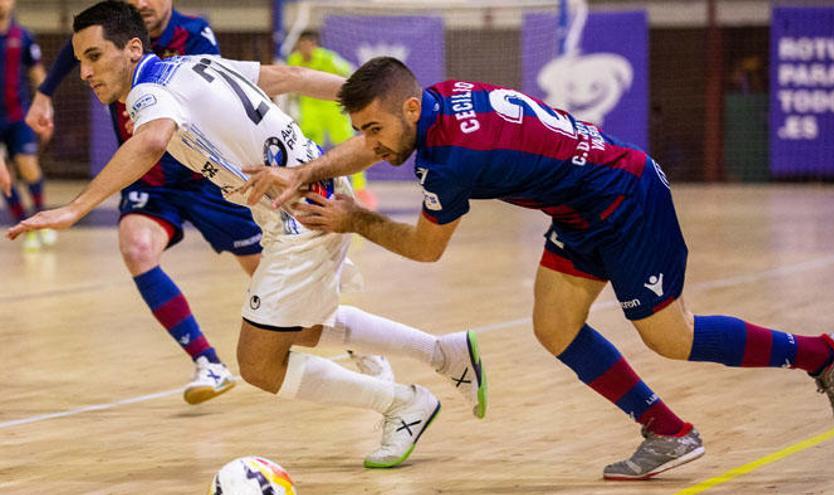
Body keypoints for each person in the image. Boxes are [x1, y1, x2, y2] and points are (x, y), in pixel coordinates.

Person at [245, 57, 834, 480]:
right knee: (554, 326)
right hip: (582, 208)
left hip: (625, 199)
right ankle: (668, 432)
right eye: (360, 132)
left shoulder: (450, 161)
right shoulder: (439, 100)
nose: (370, 145)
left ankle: (823, 354)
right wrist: (305, 172)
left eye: (375, 130)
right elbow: (378, 141)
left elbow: (426, 251)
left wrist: (356, 219)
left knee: (670, 337)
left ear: (409, 109)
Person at [8, 2, 487, 468]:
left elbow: (152, 139)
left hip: (299, 211)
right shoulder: (194, 64)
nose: (86, 72)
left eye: (94, 56)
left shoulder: (147, 91)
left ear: (133, 49)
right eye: (81, 60)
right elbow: (289, 78)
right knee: (302, 326)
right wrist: (375, 99)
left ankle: (403, 404)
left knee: (259, 363)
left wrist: (73, 207)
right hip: (306, 197)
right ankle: (442, 352)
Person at [25, 0, 388, 405]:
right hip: (151, 176)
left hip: (214, 178)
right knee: (137, 247)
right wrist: (43, 94)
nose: (142, 2)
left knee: (282, 302)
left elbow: (260, 85)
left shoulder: (192, 38)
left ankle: (367, 346)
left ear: (133, 46)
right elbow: (75, 56)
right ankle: (206, 360)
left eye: (93, 57)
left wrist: (372, 99)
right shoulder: (101, 35)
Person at [287, 30, 376, 209]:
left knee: (351, 148)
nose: (305, 48)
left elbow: (350, 72)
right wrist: (292, 107)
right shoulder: (294, 60)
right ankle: (311, 188)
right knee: (307, 151)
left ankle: (360, 190)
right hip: (310, 112)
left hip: (333, 110)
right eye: (301, 44)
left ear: (314, 44)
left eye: (308, 44)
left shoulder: (328, 59)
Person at [0, 0, 53, 251]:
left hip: (17, 117)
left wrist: (46, 107)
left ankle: (39, 219)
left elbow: (37, 73)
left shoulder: (23, 37)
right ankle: (24, 226)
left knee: (29, 167)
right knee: (3, 177)